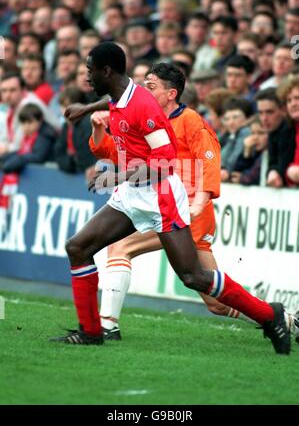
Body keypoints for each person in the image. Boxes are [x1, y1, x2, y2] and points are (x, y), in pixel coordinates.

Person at [57, 42, 290, 354]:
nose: (86, 76)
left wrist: (117, 176)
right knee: (78, 247)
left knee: (194, 276)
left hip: (162, 197)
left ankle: (269, 315)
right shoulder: (121, 94)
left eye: (90, 70)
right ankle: (92, 331)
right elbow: (112, 104)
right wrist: (87, 110)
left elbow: (165, 163)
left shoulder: (149, 108)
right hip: (132, 193)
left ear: (106, 71)